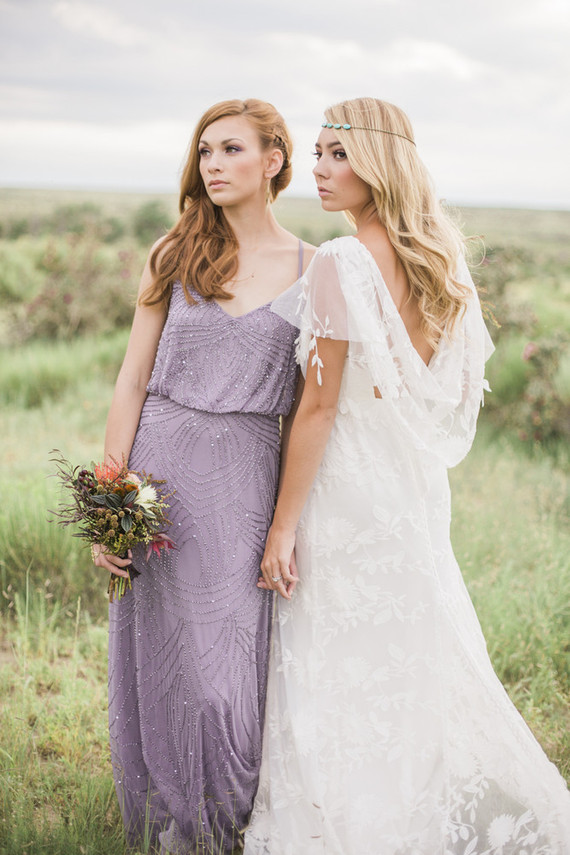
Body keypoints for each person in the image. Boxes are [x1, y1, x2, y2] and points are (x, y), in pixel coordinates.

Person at [244, 97, 570, 854]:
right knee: (412, 656)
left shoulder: (341, 260)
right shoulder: (441, 259)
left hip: (342, 496)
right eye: (318, 153)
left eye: (338, 155)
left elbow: (318, 409)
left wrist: (283, 525)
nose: (320, 171)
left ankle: (346, 823)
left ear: (380, 164)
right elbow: (455, 396)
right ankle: (413, 813)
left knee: (333, 660)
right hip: (412, 494)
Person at [91, 98, 314, 854]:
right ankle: (175, 824)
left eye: (230, 150)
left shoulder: (315, 268)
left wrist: (288, 521)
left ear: (274, 160)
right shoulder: (174, 253)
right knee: (165, 658)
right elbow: (130, 382)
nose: (213, 165)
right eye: (205, 153)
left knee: (225, 675)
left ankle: (228, 818)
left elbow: (317, 412)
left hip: (248, 480)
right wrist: (110, 503)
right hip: (161, 472)